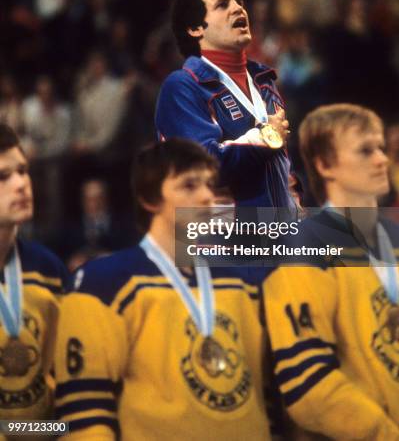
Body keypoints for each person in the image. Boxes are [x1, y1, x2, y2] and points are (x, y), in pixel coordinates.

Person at [55, 138, 272, 440]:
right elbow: (86, 411)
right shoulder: (103, 283)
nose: (208, 196)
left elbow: (268, 392)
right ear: (149, 198)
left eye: (210, 184)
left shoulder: (243, 281)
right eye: (189, 186)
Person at [263, 104, 399, 440]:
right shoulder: (304, 248)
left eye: (381, 147)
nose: (382, 159)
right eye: (366, 150)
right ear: (324, 165)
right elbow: (307, 383)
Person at [156, 0, 294, 210]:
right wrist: (265, 137)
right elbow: (203, 167)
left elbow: (281, 166)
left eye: (239, 2)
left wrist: (296, 205)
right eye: (223, 4)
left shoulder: (264, 80)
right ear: (195, 28)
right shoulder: (182, 86)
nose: (238, 9)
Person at [0, 123, 68, 425]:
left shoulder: (48, 269)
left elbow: (68, 373)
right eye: (3, 176)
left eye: (23, 171)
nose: (21, 184)